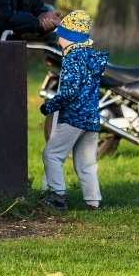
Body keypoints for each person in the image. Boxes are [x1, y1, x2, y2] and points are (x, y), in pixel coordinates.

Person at [40, 11, 109, 211]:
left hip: (74, 117)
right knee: (86, 161)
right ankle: (93, 202)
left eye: (60, 35)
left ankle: (57, 198)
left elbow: (69, 92)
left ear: (69, 37)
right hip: (92, 118)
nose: (58, 39)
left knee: (52, 154)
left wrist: (49, 106)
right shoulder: (90, 57)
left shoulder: (72, 59)